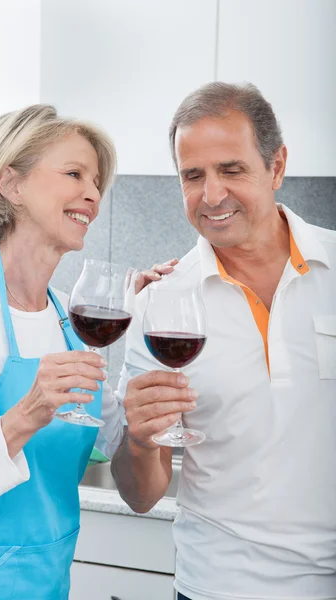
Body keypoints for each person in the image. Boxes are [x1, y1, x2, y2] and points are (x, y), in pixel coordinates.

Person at [0, 104, 176, 599]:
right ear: (11, 184)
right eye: (74, 174)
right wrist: (25, 415)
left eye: (96, 181)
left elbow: (140, 494)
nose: (92, 194)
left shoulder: (69, 319)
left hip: (47, 586)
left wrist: (145, 435)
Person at [111, 82, 336, 600]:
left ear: (276, 166)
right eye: (193, 176)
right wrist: (141, 440)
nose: (212, 195)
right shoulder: (160, 304)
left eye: (231, 170)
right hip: (216, 586)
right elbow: (140, 494)